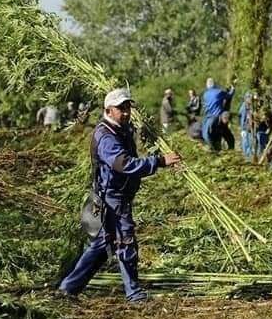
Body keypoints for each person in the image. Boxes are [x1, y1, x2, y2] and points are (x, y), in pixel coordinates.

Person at [58, 88, 181, 302]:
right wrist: (159, 161)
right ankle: (134, 294)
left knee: (101, 246)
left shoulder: (121, 128)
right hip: (110, 198)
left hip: (118, 195)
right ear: (108, 110)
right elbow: (123, 164)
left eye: (127, 108)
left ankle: (68, 288)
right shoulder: (105, 136)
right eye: (120, 109)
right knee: (125, 242)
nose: (125, 113)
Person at [201, 78, 235, 147]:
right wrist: (233, 89)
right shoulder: (219, 92)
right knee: (228, 138)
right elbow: (229, 95)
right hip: (217, 117)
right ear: (215, 84)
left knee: (208, 135)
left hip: (208, 117)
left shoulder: (205, 94)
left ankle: (211, 147)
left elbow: (204, 106)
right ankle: (229, 149)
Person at [239, 93, 254, 159]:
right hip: (245, 128)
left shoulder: (251, 106)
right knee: (246, 143)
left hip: (251, 128)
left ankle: (250, 157)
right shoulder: (244, 107)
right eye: (249, 98)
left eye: (250, 98)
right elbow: (242, 118)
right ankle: (247, 157)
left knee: (250, 143)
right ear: (246, 99)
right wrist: (242, 129)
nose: (250, 99)